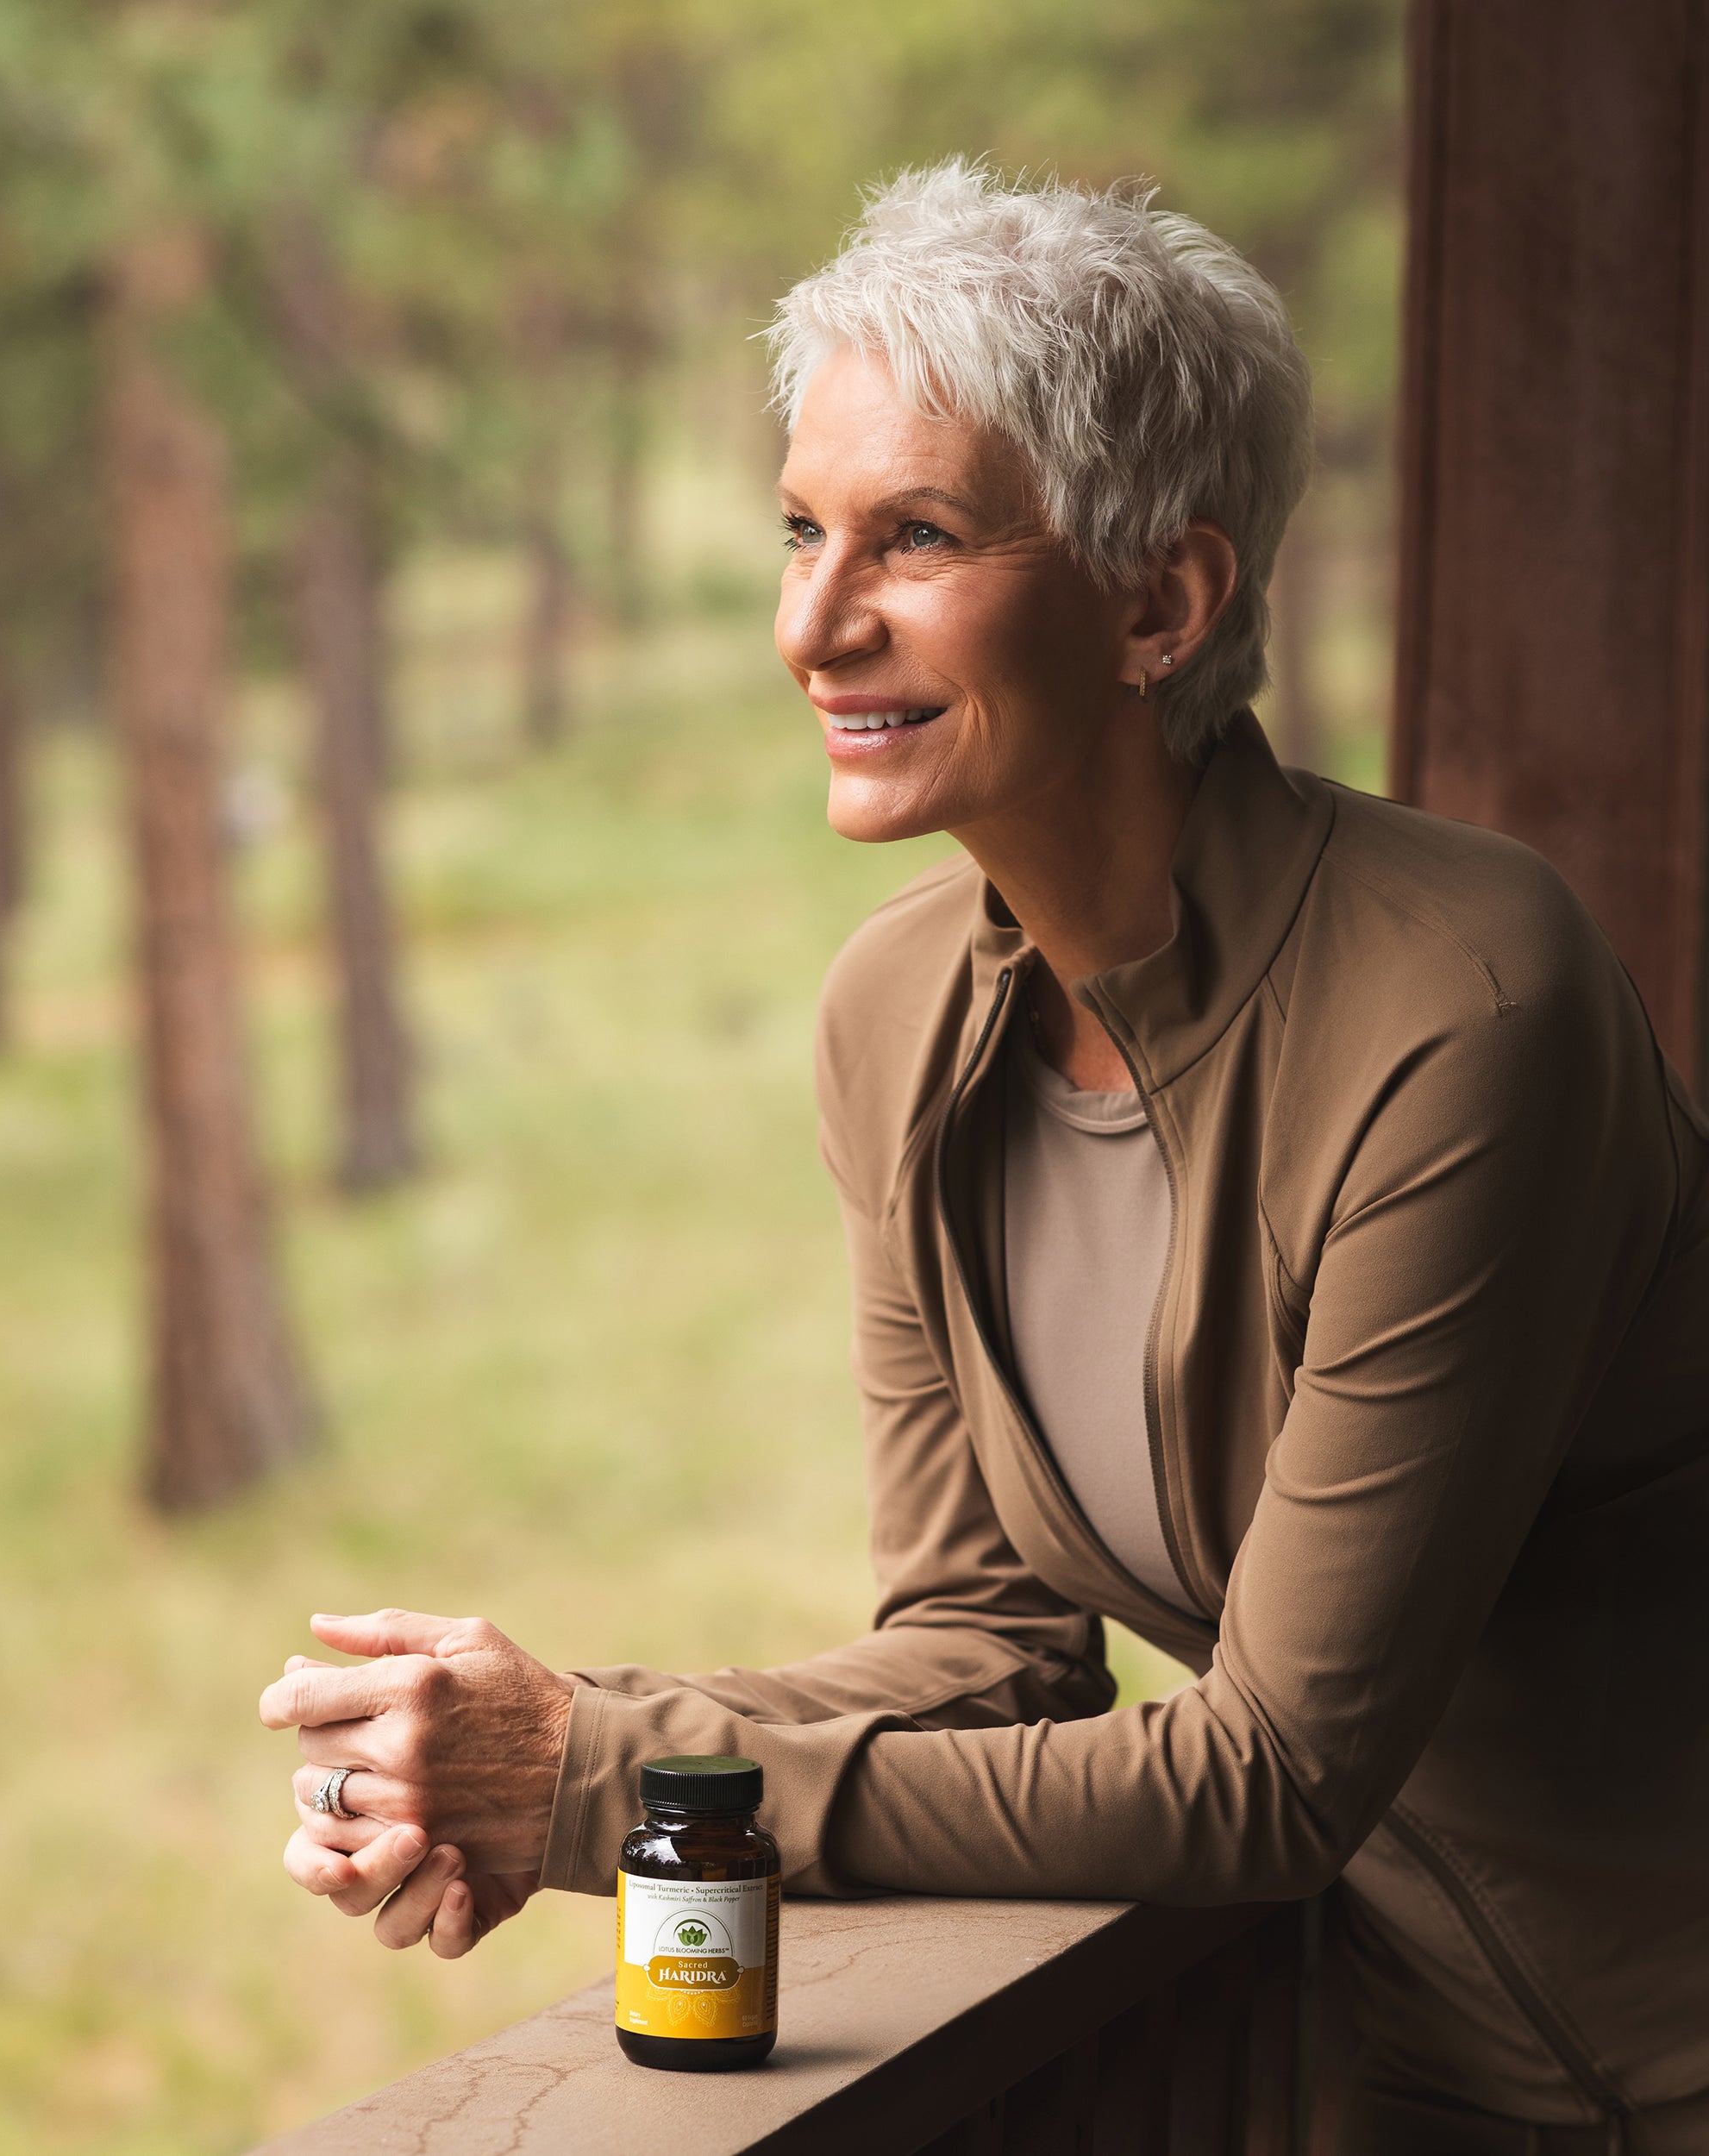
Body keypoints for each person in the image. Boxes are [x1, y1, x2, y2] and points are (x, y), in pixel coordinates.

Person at [260, 165, 1709, 2150]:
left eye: (914, 537)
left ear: (1157, 601)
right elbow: (985, 1654)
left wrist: (591, 1777)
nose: (810, 621)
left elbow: (1274, 1768)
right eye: (798, 529)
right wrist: (520, 1751)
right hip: (1404, 2068)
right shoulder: (897, 1020)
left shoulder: (1462, 1008)